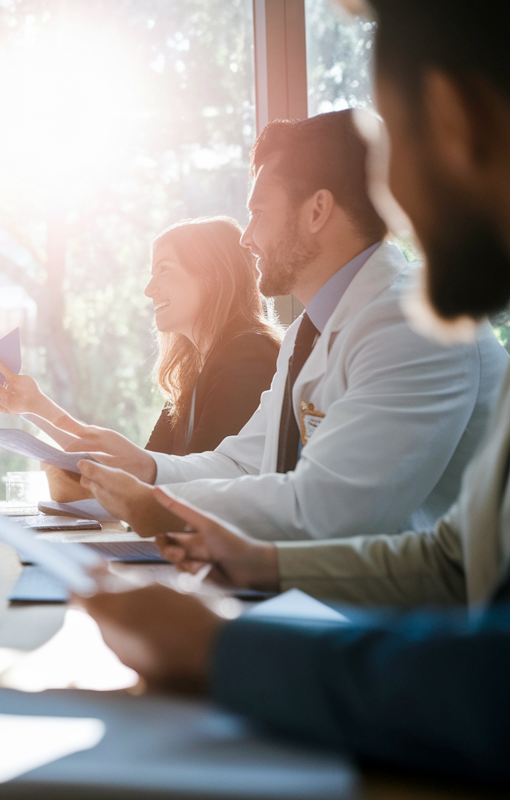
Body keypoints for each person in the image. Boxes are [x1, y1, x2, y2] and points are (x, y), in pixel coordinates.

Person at [82, 0, 510, 780]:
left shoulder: (410, 320)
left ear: (457, 121)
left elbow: (329, 511)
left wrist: (218, 641)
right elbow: (449, 559)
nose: (395, 205)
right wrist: (171, 495)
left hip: (417, 680)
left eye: (397, 154)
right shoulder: (315, 326)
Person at [66, 110, 507, 544]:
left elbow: (329, 510)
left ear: (316, 211)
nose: (246, 236)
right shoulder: (307, 332)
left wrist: (165, 509)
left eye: (258, 212)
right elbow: (245, 464)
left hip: (439, 608)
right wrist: (148, 470)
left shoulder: (416, 322)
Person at [0, 216, 280, 467]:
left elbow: (181, 483)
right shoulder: (197, 375)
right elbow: (142, 469)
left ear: (214, 276)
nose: (149, 290)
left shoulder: (246, 361)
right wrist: (34, 406)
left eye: (164, 269)